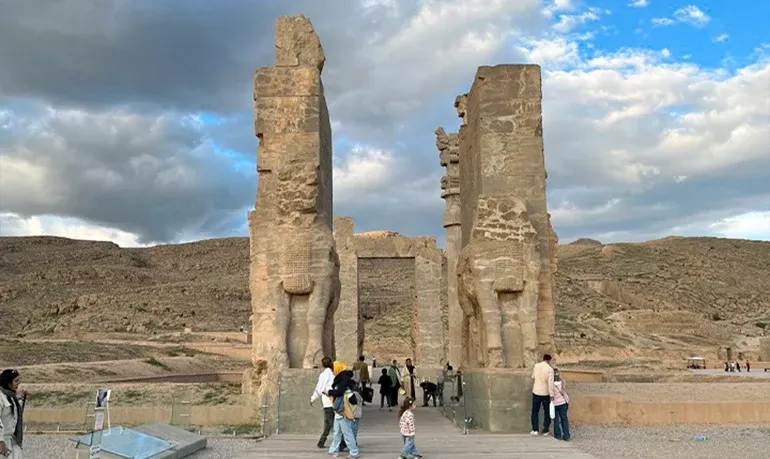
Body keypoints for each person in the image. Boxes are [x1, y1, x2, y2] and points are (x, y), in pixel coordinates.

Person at [325, 361, 359, 458]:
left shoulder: (343, 378)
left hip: (343, 408)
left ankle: (354, 452)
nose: (332, 371)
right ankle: (333, 450)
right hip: (339, 409)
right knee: (337, 432)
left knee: (347, 432)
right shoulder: (341, 377)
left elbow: (340, 392)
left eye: (333, 369)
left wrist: (329, 392)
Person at [310, 357, 335, 449]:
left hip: (327, 401)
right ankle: (322, 440)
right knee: (329, 421)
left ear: (322, 364)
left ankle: (342, 441)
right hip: (335, 400)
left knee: (330, 422)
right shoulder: (333, 374)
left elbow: (319, 388)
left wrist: (313, 398)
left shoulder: (323, 375)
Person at [0, 369, 26, 459]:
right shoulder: (1, 397)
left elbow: (16, 413)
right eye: (16, 381)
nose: (18, 383)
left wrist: (23, 397)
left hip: (13, 440)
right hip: (3, 441)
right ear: (8, 383)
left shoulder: (11, 396)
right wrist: (0, 440)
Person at [531, 354, 554, 436]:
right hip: (545, 393)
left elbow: (533, 376)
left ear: (543, 358)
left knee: (535, 411)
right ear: (549, 360)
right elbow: (550, 383)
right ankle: (545, 430)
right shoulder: (550, 369)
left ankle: (535, 429)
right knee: (547, 412)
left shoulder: (536, 366)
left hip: (536, 391)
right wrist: (551, 394)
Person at [551, 368, 571, 441]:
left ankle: (558, 435)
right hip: (563, 403)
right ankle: (566, 435)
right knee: (564, 419)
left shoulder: (551, 385)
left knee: (556, 419)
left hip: (555, 404)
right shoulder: (562, 383)